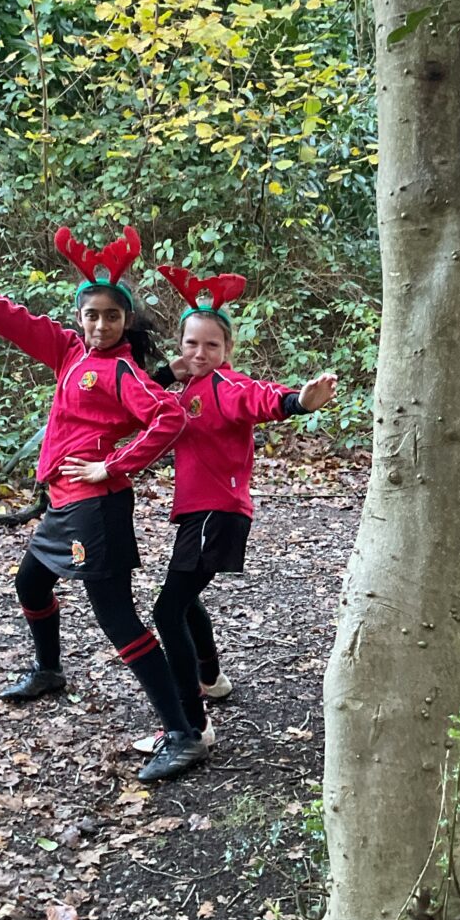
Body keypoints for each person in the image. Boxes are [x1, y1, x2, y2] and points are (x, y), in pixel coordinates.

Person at [0, 227, 208, 783]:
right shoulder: (67, 351)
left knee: (116, 617)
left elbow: (169, 417)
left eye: (113, 316)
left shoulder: (122, 370)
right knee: (31, 585)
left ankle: (182, 733)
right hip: (64, 506)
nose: (101, 325)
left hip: (96, 511)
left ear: (126, 321)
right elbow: (5, 315)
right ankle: (48, 670)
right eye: (92, 315)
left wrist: (113, 465)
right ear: (80, 317)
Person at [133, 265, 336, 754]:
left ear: (227, 350)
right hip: (200, 515)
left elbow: (258, 398)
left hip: (217, 514)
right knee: (185, 602)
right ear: (180, 346)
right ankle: (212, 679)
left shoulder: (225, 386)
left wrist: (298, 402)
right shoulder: (186, 388)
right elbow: (139, 396)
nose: (199, 353)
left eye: (211, 345)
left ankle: (192, 722)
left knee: (167, 610)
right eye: (191, 344)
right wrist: (169, 373)